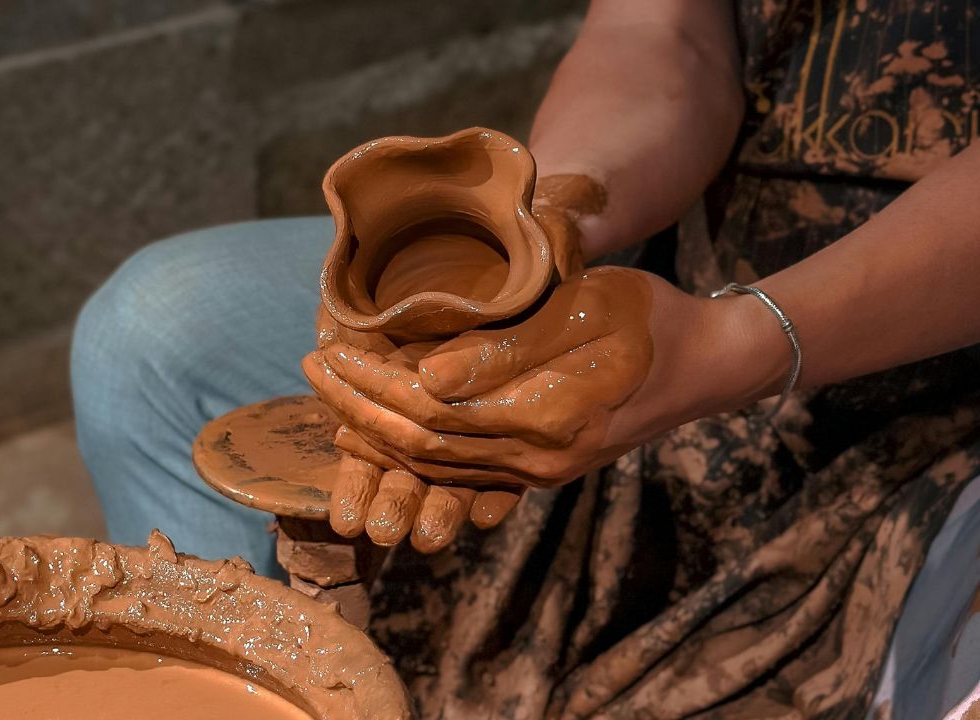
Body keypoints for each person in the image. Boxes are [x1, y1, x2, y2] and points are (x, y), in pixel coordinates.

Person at [71, 1, 980, 717]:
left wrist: (733, 342)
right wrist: (544, 233)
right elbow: (660, 35)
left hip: (940, 355)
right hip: (694, 251)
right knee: (151, 337)